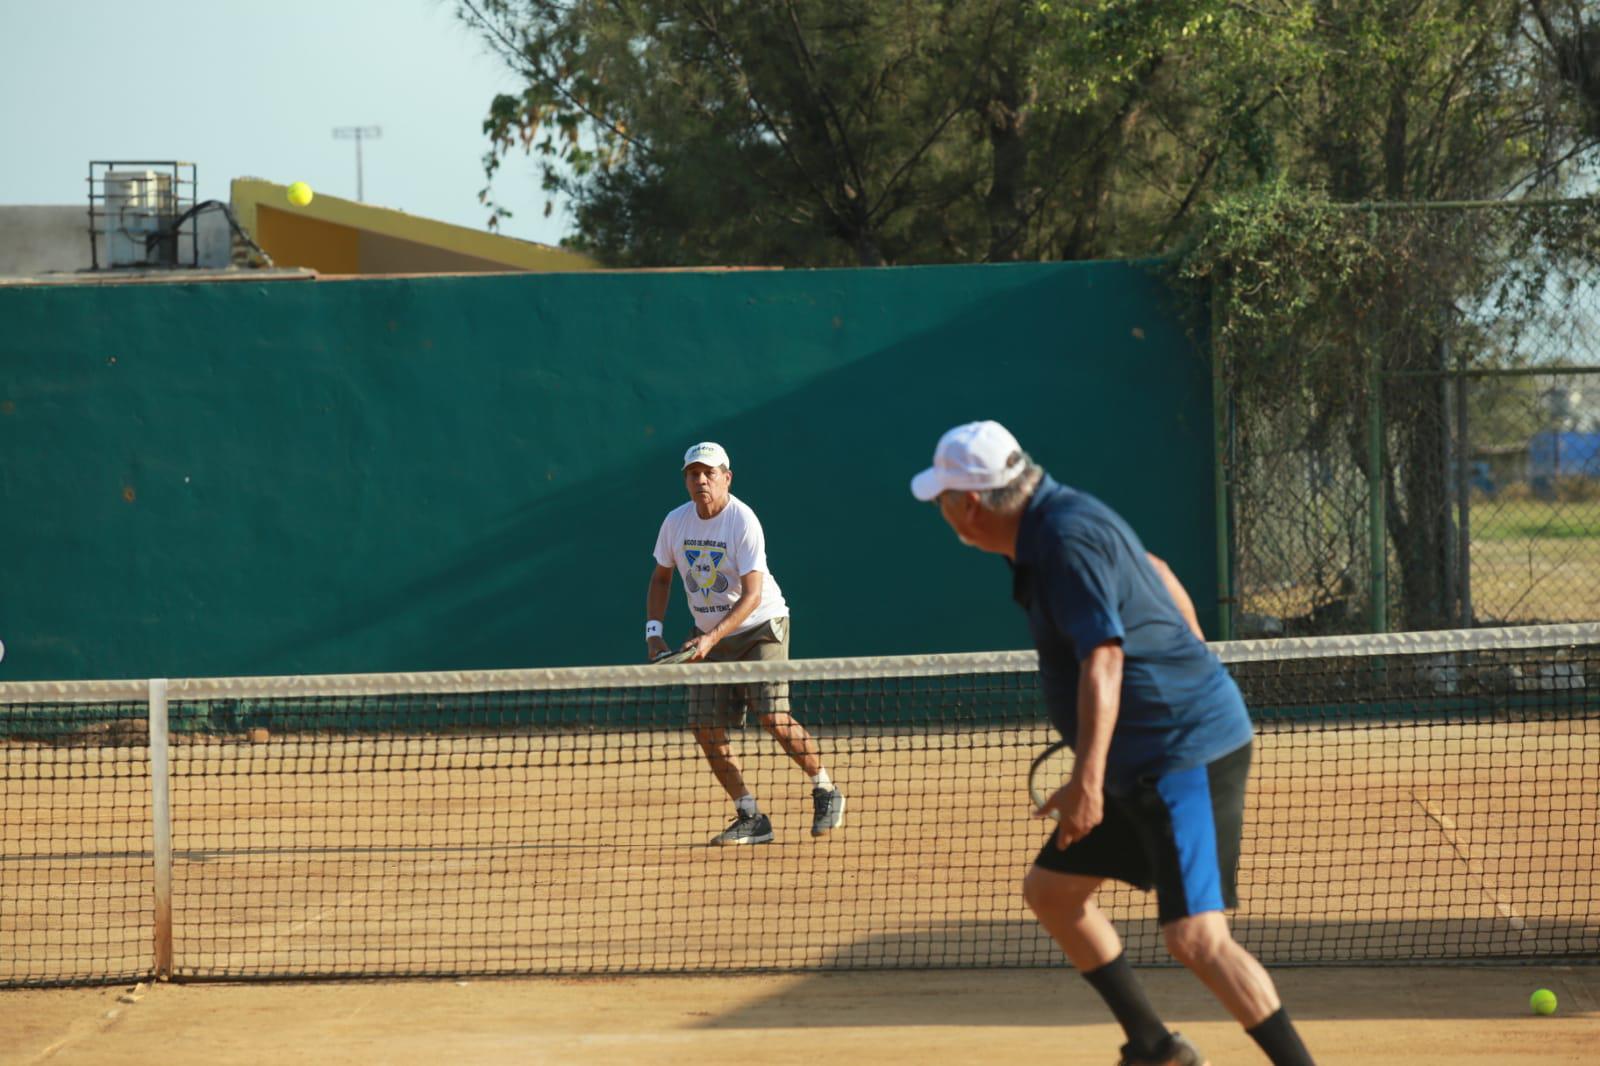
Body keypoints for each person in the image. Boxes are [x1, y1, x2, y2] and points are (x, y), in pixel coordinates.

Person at [911, 421, 1314, 1066]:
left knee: (1197, 939)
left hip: (1183, 754)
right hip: (1139, 753)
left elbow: (1103, 657)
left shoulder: (1062, 539)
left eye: (943, 501)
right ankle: (1156, 1047)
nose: (943, 513)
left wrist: (1089, 780)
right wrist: (1190, 656)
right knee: (1054, 893)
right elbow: (1155, 569)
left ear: (973, 505)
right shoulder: (1056, 517)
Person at [647, 441, 845, 845]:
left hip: (760, 626)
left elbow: (752, 595)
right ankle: (750, 815)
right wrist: (654, 634)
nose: (701, 480)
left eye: (710, 473)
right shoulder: (675, 522)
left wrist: (710, 638)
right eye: (693, 473)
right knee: (704, 726)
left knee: (772, 714)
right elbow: (661, 577)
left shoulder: (742, 521)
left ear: (726, 478)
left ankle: (825, 787)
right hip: (709, 638)